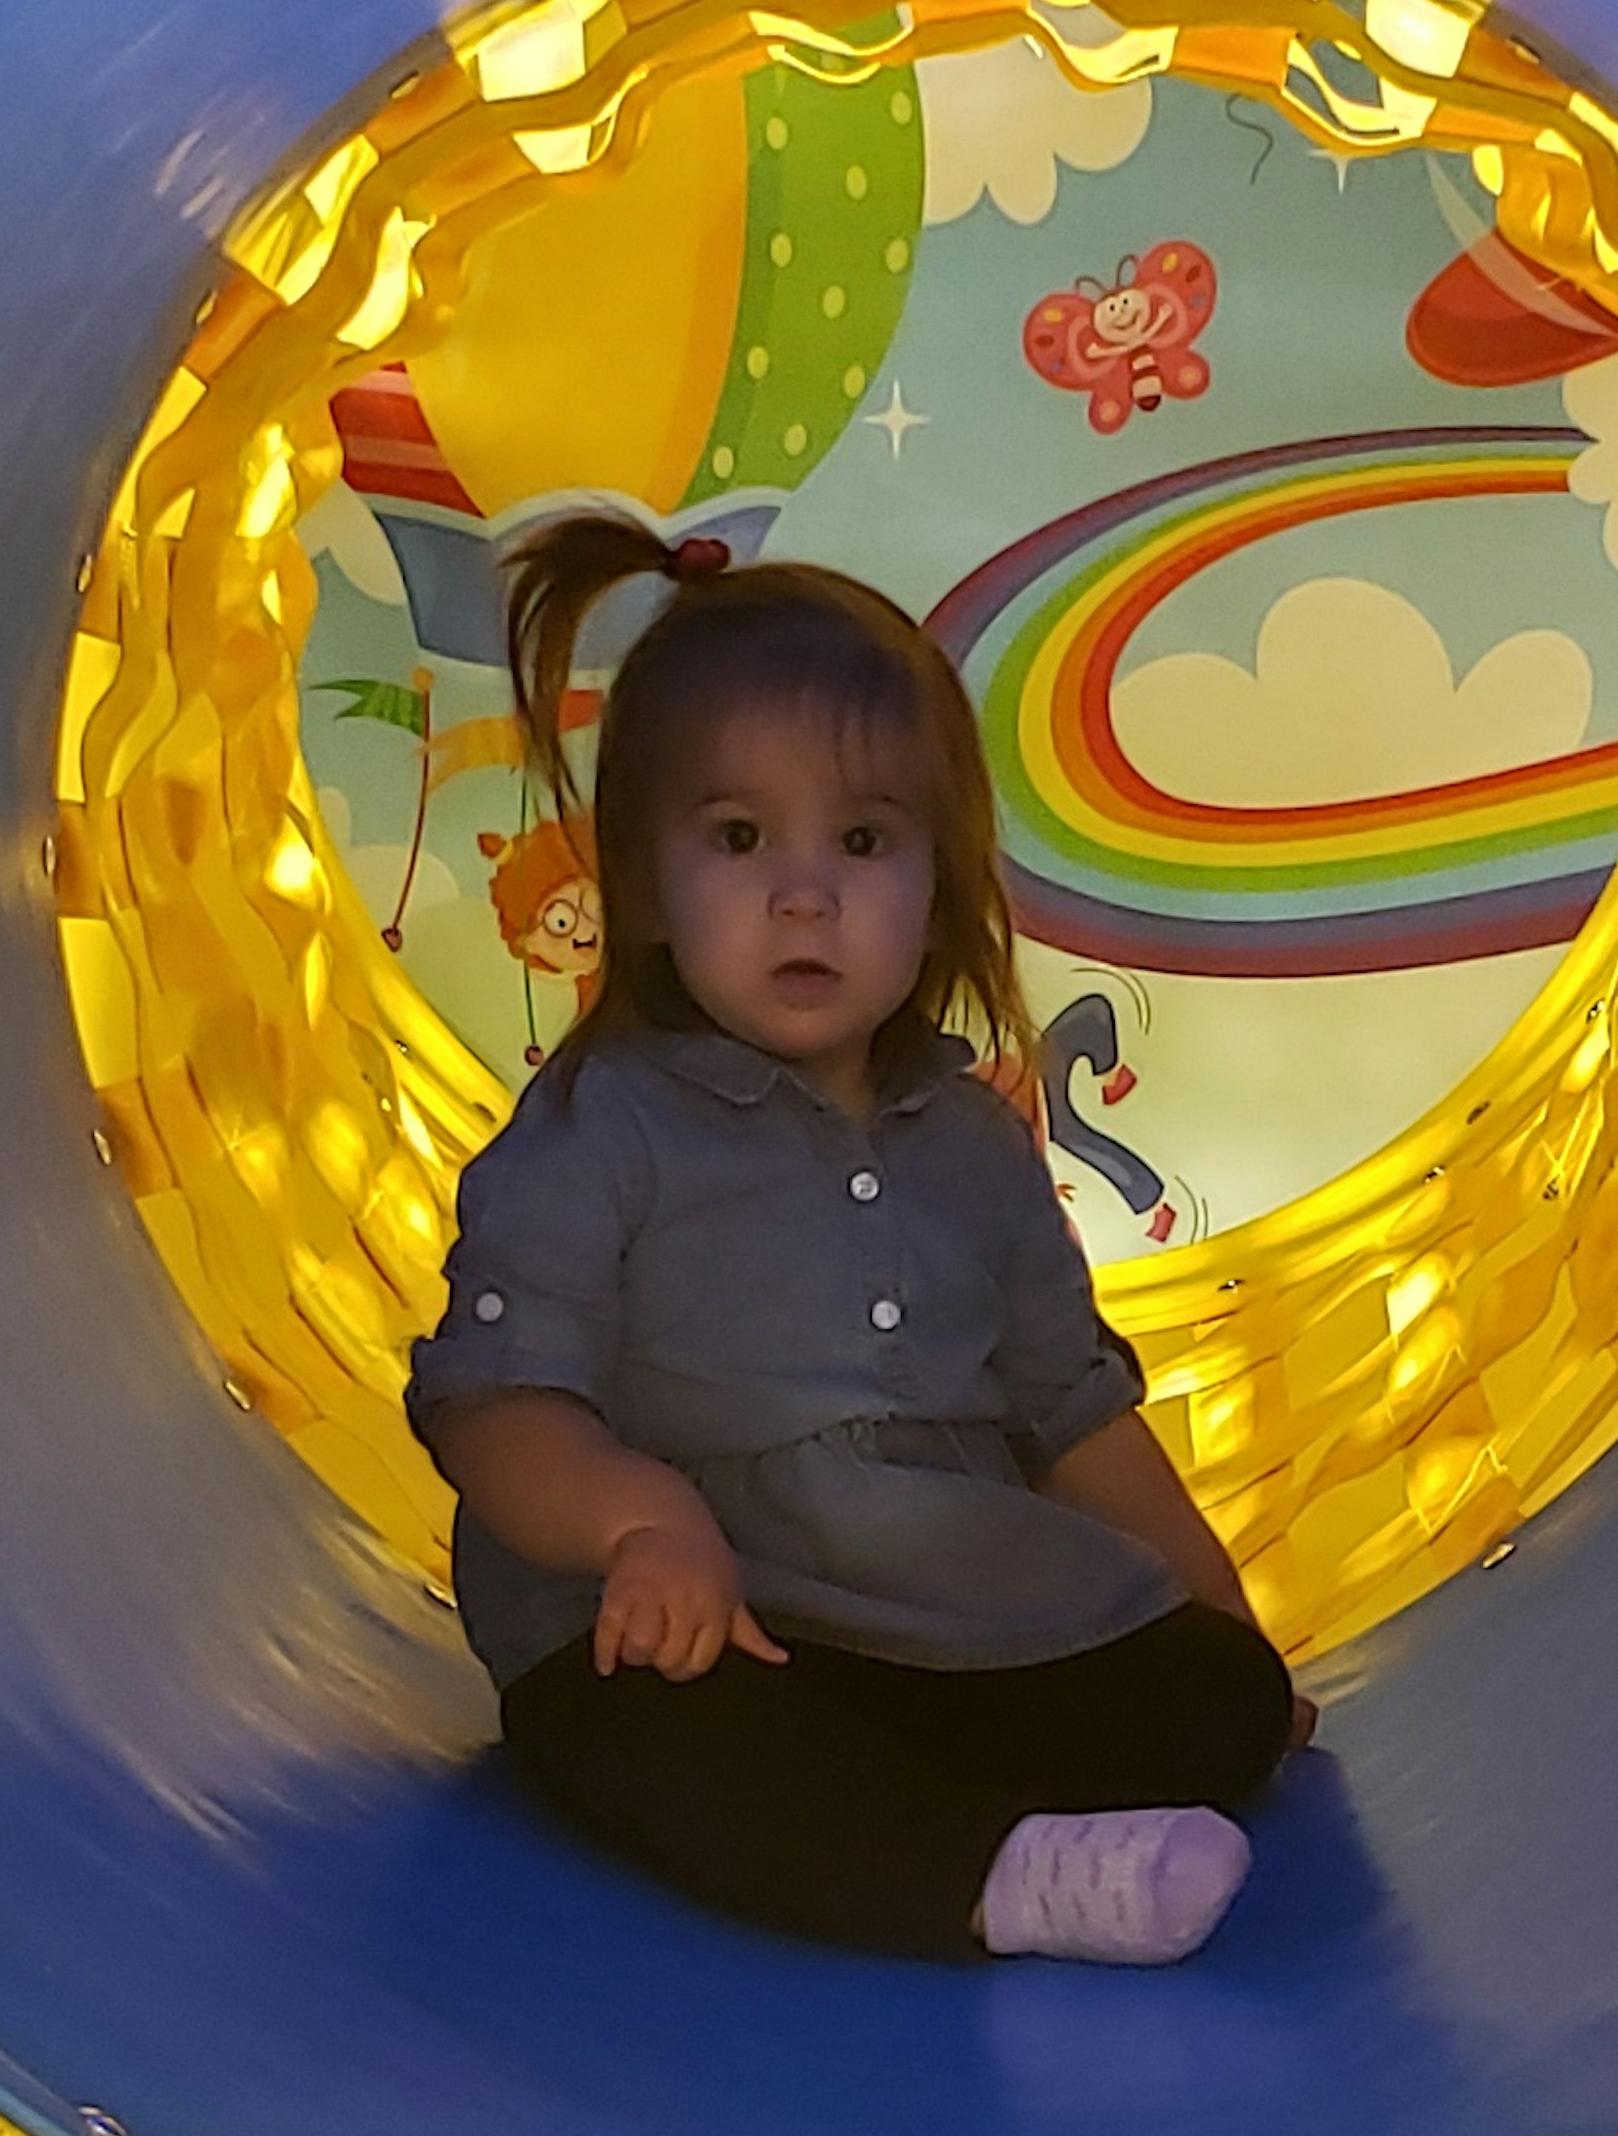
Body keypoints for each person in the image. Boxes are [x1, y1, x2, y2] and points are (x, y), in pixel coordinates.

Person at [405, 514, 1299, 1965]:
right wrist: (639, 1526)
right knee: (635, 1732)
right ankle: (985, 1880)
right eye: (740, 839)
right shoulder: (604, 1128)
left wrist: (1224, 1624)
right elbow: (496, 1409)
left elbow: (1077, 1415)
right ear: (641, 882)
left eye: (866, 841)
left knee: (1218, 1702)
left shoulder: (972, 1150)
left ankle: (987, 1818)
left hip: (925, 1610)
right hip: (681, 1629)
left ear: (936, 885)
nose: (805, 893)